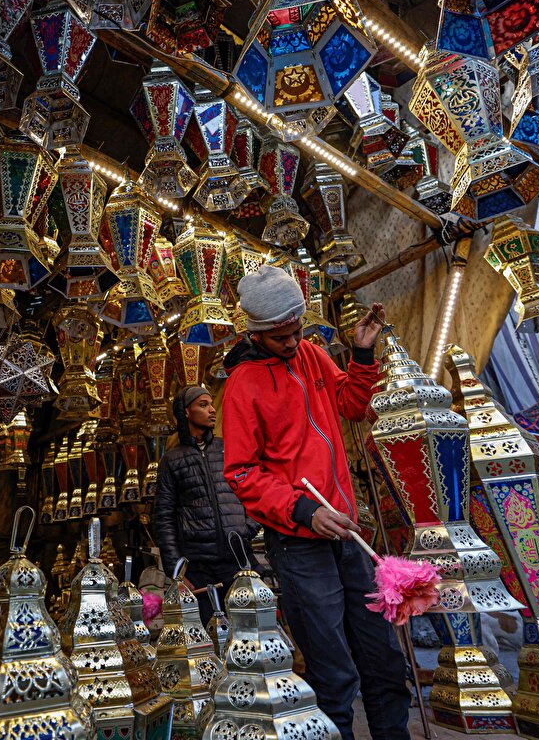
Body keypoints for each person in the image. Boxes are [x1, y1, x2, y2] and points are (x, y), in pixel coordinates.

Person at [221, 265, 411, 740]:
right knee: (332, 672)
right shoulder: (242, 384)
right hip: (298, 541)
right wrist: (305, 510)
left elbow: (351, 404)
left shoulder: (311, 354)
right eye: (281, 336)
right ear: (257, 331)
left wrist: (363, 353)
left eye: (297, 330)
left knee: (384, 659)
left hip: (345, 531)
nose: (292, 342)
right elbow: (241, 473)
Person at [154, 385, 258, 623]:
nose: (212, 410)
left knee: (251, 632)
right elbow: (164, 518)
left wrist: (247, 529)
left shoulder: (228, 448)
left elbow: (254, 489)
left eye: (211, 404)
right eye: (203, 405)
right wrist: (176, 572)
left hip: (239, 560)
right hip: (200, 569)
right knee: (210, 639)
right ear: (186, 412)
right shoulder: (172, 460)